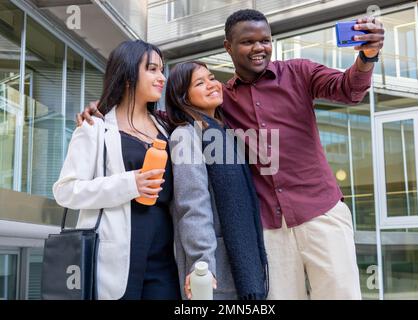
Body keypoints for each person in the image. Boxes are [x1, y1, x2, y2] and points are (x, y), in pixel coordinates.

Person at [78, 9, 384, 300]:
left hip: (320, 211)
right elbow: (175, 111)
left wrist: (367, 56)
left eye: (264, 40)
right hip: (269, 227)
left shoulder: (299, 72)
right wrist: (107, 109)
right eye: (248, 42)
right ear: (229, 46)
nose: (259, 48)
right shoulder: (223, 101)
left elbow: (348, 89)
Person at [53, 40, 181, 300]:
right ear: (128, 74)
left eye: (162, 70)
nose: (161, 78)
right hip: (116, 255)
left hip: (165, 255)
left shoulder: (168, 129)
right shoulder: (95, 127)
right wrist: (129, 184)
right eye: (152, 69)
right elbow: (65, 191)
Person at [166, 61, 268, 300]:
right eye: (200, 83)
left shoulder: (225, 132)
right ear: (183, 97)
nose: (212, 85)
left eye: (212, 78)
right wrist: (202, 263)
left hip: (239, 265)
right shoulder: (185, 135)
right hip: (213, 271)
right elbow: (192, 204)